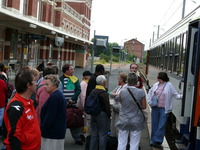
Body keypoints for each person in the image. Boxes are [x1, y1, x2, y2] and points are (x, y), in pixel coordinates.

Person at [3, 69, 41, 150]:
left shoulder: (28, 102)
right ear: (28, 85)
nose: (37, 84)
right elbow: (14, 137)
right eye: (34, 81)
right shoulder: (16, 107)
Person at [147, 72, 182, 149]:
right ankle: (153, 141)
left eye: (160, 79)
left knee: (161, 125)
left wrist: (182, 96)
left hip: (164, 109)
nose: (159, 80)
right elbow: (150, 93)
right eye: (158, 78)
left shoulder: (169, 85)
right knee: (154, 125)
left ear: (164, 79)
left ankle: (157, 141)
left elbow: (175, 94)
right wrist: (149, 102)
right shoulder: (156, 85)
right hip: (155, 108)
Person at [116, 73, 146, 150]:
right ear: (137, 81)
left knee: (122, 142)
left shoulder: (122, 91)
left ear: (127, 81)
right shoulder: (141, 92)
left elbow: (121, 102)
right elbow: (144, 106)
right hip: (136, 120)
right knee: (134, 143)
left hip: (124, 119)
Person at [40, 75, 66, 150]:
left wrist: (42, 128)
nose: (44, 86)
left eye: (47, 84)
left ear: (54, 85)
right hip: (56, 132)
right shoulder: (57, 95)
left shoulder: (55, 97)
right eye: (44, 84)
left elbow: (50, 116)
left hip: (52, 134)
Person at [59, 63, 83, 145]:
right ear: (66, 71)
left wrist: (72, 99)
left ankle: (77, 138)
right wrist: (65, 101)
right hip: (63, 104)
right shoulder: (60, 79)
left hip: (72, 104)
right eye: (71, 69)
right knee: (62, 122)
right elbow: (59, 91)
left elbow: (78, 90)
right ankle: (60, 139)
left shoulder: (75, 79)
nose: (73, 70)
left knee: (73, 121)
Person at [89, 75, 111, 150]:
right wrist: (109, 115)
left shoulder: (93, 91)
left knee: (94, 134)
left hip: (93, 113)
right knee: (102, 134)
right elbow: (107, 106)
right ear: (104, 83)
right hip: (102, 115)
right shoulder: (104, 93)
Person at [85, 64, 105, 136]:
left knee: (91, 124)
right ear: (101, 71)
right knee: (90, 124)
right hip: (92, 106)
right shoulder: (95, 79)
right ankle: (89, 139)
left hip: (90, 105)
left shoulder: (92, 78)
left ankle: (89, 139)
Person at [110, 72, 127, 137]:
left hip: (120, 110)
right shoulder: (119, 87)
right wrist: (116, 95)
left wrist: (116, 95)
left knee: (118, 126)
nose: (118, 79)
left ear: (122, 79)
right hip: (115, 108)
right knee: (113, 125)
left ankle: (118, 140)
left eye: (119, 78)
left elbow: (118, 98)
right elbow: (111, 94)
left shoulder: (125, 88)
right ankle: (113, 138)